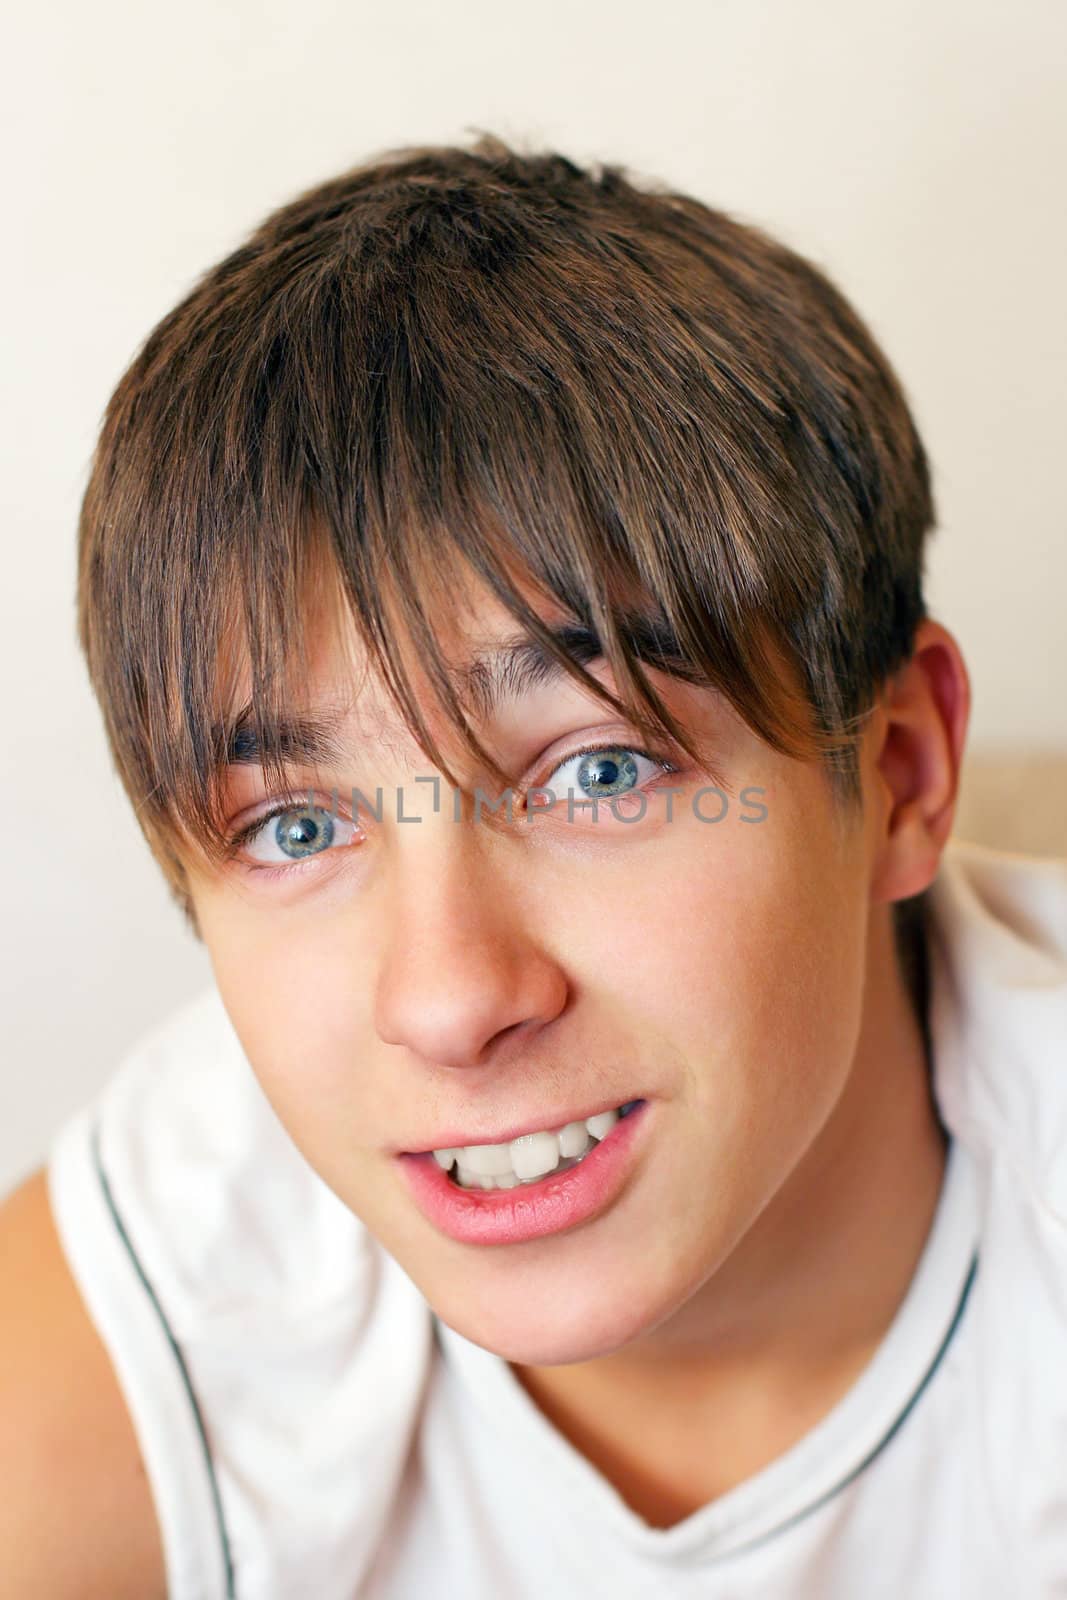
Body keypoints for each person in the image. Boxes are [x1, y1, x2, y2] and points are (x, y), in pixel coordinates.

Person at [2, 133, 1065, 1599]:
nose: (449, 1001)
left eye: (600, 769)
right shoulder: (167, 1307)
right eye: (298, 827)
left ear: (898, 775)